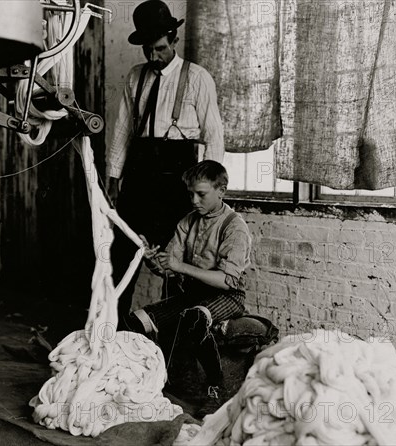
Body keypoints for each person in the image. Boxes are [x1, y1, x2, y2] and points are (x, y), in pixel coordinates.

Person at [107, 0, 225, 321]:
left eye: (159, 48)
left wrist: (210, 191)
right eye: (148, 50)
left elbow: (213, 136)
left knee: (175, 263)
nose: (153, 56)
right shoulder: (135, 77)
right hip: (138, 175)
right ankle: (114, 334)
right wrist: (113, 179)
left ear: (173, 39)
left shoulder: (198, 78)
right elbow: (121, 130)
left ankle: (172, 343)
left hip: (178, 180)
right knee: (121, 255)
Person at [125, 160, 252, 403]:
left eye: (201, 194)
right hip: (192, 295)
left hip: (227, 297)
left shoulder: (234, 227)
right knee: (135, 321)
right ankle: (148, 381)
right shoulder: (187, 222)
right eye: (191, 194)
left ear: (221, 191)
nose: (194, 200)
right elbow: (168, 271)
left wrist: (179, 266)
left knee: (195, 318)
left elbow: (227, 280)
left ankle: (216, 390)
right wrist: (151, 260)